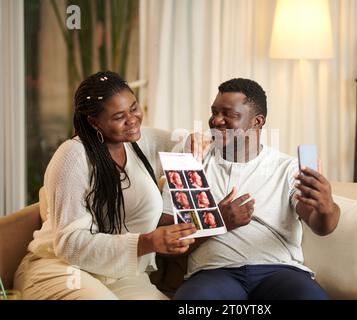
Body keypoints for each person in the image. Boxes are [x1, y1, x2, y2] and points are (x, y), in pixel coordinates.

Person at [13, 71, 196, 300]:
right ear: (94, 121)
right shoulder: (73, 156)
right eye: (119, 116)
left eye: (134, 107)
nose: (132, 119)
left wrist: (195, 140)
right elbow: (69, 244)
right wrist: (147, 242)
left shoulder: (140, 142)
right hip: (62, 268)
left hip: (122, 274)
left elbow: (183, 143)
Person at [162, 78, 340, 300]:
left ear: (257, 122)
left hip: (279, 272)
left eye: (229, 114)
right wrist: (217, 221)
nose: (216, 120)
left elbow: (322, 226)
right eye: (214, 112)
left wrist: (326, 207)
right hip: (214, 273)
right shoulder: (191, 159)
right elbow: (166, 241)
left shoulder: (286, 168)